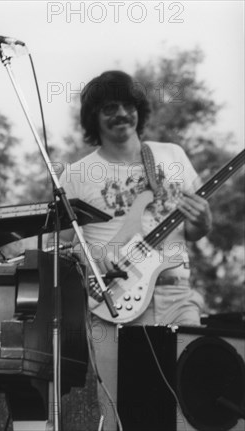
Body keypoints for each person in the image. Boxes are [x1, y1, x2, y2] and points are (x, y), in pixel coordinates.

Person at [56, 71, 212, 430]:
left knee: (193, 404)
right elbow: (66, 244)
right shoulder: (78, 174)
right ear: (93, 116)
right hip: (114, 304)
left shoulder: (171, 155)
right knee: (122, 413)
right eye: (110, 108)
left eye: (128, 105)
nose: (122, 114)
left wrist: (203, 219)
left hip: (175, 292)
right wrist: (97, 266)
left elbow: (197, 230)